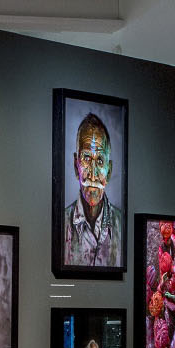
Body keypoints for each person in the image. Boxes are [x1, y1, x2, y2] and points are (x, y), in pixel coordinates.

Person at [60, 112, 125, 268]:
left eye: (100, 161)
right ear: (76, 166)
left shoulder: (122, 224)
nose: (93, 175)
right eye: (87, 158)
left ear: (109, 172)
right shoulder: (61, 224)